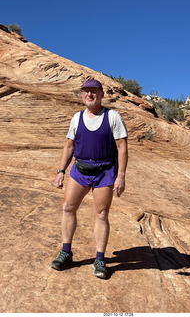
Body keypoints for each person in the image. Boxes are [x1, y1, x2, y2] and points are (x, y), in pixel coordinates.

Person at [51, 79, 128, 279]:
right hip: (80, 169)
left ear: (101, 94)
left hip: (105, 171)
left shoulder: (113, 117)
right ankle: (66, 252)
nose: (89, 95)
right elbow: (69, 146)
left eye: (93, 91)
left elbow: (122, 147)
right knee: (68, 207)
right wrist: (61, 170)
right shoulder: (77, 118)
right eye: (86, 91)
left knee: (101, 214)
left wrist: (121, 176)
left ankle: (100, 259)